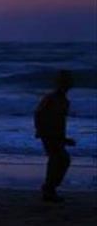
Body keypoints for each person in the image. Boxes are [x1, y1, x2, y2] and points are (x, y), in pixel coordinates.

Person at [35, 70, 75, 202]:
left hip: (56, 135)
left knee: (60, 160)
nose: (67, 84)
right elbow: (38, 113)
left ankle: (49, 189)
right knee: (59, 159)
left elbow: (61, 122)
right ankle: (49, 189)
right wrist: (41, 130)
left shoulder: (64, 100)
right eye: (65, 81)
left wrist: (64, 138)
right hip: (48, 134)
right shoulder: (51, 98)